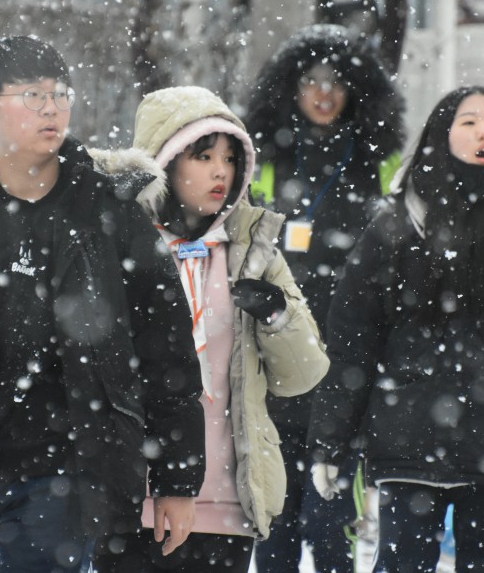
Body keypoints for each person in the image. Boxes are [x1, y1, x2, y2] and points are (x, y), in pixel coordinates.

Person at [0, 35, 206, 573]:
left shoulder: (108, 208)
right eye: (31, 95)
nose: (52, 108)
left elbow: (167, 352)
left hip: (70, 467)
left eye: (60, 93)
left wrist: (177, 480)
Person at [308, 85, 484, 571]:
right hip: (407, 446)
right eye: (468, 121)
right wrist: (331, 440)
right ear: (440, 136)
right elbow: (353, 341)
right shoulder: (398, 222)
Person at [89, 85, 328, 572]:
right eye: (202, 155)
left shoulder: (254, 251)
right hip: (133, 496)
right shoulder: (117, 247)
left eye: (230, 157)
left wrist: (277, 316)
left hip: (225, 500)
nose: (221, 170)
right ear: (165, 161)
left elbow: (303, 375)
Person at [246, 23, 405, 572]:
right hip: (275, 363)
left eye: (336, 82)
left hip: (348, 367)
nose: (322, 93)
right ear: (288, 88)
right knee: (275, 530)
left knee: (333, 528)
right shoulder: (262, 162)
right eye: (310, 80)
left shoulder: (379, 166)